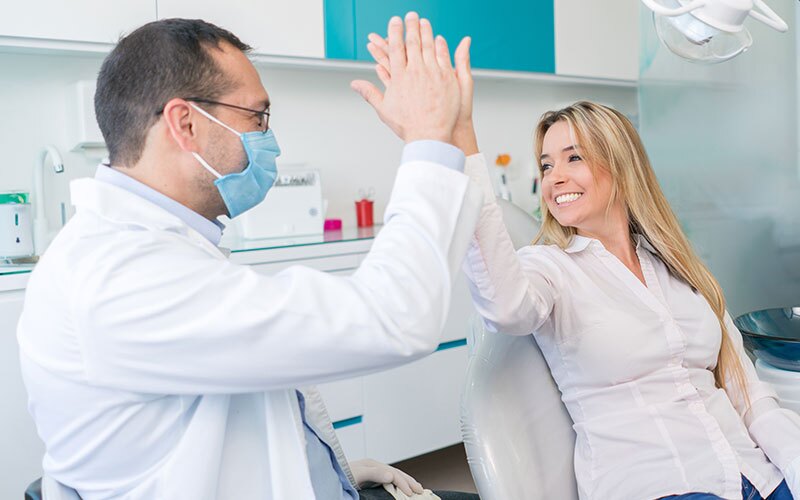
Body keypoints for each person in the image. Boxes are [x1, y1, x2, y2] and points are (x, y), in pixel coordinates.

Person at [17, 14, 481, 500]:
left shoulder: (159, 247)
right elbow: (392, 317)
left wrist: (331, 469)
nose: (267, 137)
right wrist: (429, 139)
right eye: (256, 117)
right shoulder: (118, 275)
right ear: (185, 123)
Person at [362, 34, 800, 497]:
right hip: (660, 485)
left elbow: (750, 397)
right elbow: (505, 306)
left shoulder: (679, 267)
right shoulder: (552, 270)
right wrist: (461, 140)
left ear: (622, 166)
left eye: (575, 158)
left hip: (755, 475)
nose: (556, 178)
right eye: (547, 165)